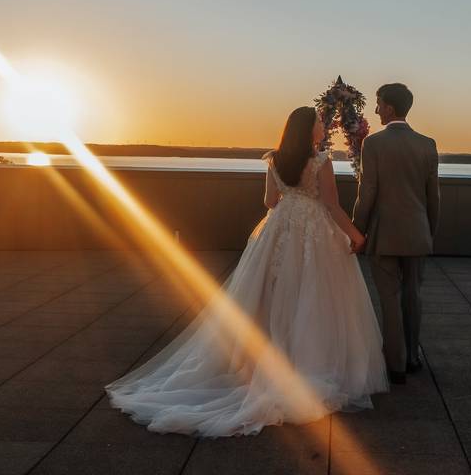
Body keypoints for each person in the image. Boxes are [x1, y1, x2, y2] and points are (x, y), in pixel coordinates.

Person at [106, 106, 388, 436]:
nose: (322, 126)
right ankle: (306, 362)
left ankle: (266, 362)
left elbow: (270, 202)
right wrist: (355, 235)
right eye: (318, 122)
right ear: (308, 129)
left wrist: (290, 201)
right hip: (313, 230)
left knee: (271, 295)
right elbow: (331, 204)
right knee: (313, 295)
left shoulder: (274, 159)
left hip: (279, 228)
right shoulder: (321, 161)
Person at [353, 83, 440, 384]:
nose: (375, 110)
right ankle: (413, 356)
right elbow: (434, 197)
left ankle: (396, 363)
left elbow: (368, 193)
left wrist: (357, 230)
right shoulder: (428, 144)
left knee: (389, 298)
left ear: (389, 107)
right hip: (417, 233)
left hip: (384, 234)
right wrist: (429, 231)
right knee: (413, 296)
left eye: (378, 104)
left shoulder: (373, 144)